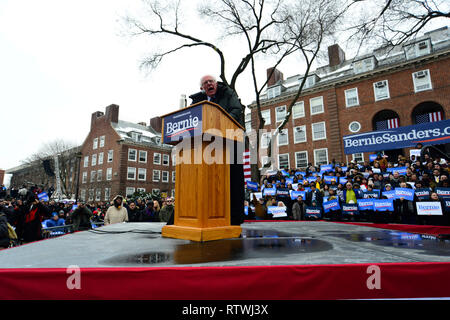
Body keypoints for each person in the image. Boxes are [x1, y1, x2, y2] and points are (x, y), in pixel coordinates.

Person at [189, 75, 245, 226]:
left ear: (216, 84)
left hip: (231, 140)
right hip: (207, 145)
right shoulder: (197, 101)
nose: (209, 84)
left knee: (233, 179)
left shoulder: (228, 93)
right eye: (205, 83)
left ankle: (235, 218)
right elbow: (189, 117)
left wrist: (221, 124)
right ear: (202, 88)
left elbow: (236, 109)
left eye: (211, 81)